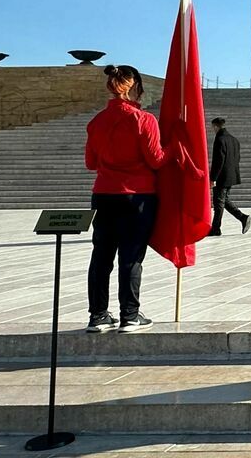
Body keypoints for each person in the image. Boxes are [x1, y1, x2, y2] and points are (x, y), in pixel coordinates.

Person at [84, 65, 166, 333]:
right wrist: (175, 149)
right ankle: (130, 315)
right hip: (137, 196)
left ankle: (98, 316)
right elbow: (156, 160)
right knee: (131, 257)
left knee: (101, 256)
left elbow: (90, 163)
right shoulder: (143, 120)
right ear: (135, 87)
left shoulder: (96, 122)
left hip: (104, 194)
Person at [209, 117, 251, 236]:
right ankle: (243, 218)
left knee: (219, 203)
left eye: (212, 127)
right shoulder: (234, 140)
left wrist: (213, 178)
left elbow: (218, 161)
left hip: (222, 177)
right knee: (223, 200)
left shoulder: (220, 139)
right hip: (231, 175)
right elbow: (237, 158)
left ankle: (216, 228)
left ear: (216, 126)